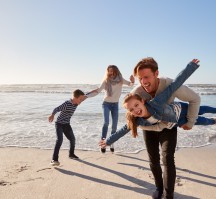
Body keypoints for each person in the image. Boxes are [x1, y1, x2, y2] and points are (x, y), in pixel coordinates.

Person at [100, 58, 201, 199]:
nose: (144, 81)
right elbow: (128, 124)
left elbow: (193, 97)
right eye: (140, 78)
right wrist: (109, 140)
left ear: (156, 73)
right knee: (153, 160)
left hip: (167, 126)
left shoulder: (167, 85)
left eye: (146, 77)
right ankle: (159, 189)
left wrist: (190, 122)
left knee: (168, 159)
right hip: (148, 129)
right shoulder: (137, 94)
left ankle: (169, 195)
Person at [86, 65, 134, 153]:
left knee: (114, 126)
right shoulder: (106, 81)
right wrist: (86, 95)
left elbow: (130, 85)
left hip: (115, 105)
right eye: (109, 71)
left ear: (116, 71)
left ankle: (111, 142)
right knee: (106, 122)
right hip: (106, 104)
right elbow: (98, 90)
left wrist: (132, 80)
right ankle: (103, 143)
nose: (110, 73)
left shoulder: (120, 79)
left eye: (112, 71)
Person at [48, 89, 86, 166]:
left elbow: (86, 96)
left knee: (72, 139)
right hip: (59, 124)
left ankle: (71, 154)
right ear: (75, 97)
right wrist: (52, 115)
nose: (81, 101)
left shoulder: (76, 103)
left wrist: (95, 91)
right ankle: (54, 159)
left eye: (82, 99)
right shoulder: (67, 104)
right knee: (59, 140)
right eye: (80, 99)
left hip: (67, 125)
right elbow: (56, 109)